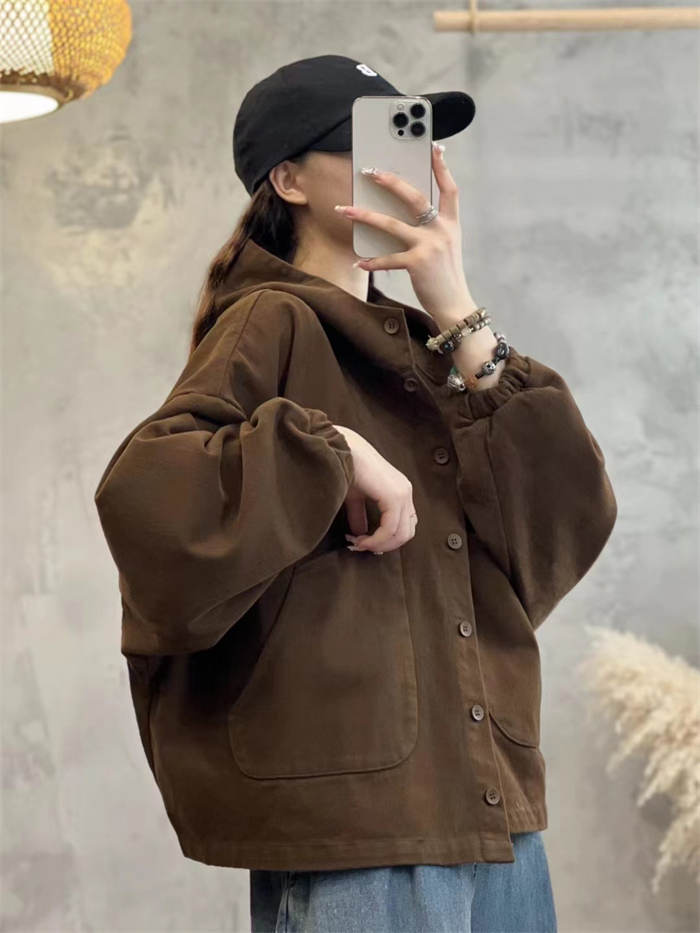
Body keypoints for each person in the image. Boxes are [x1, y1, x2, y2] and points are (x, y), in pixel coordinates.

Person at [94, 55, 618, 933]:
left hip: (491, 811)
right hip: (366, 832)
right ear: (289, 179)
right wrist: (329, 447)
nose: (402, 168)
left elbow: (568, 520)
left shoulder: (429, 348)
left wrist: (456, 308)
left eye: (413, 140)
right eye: (369, 143)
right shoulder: (271, 318)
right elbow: (150, 499)